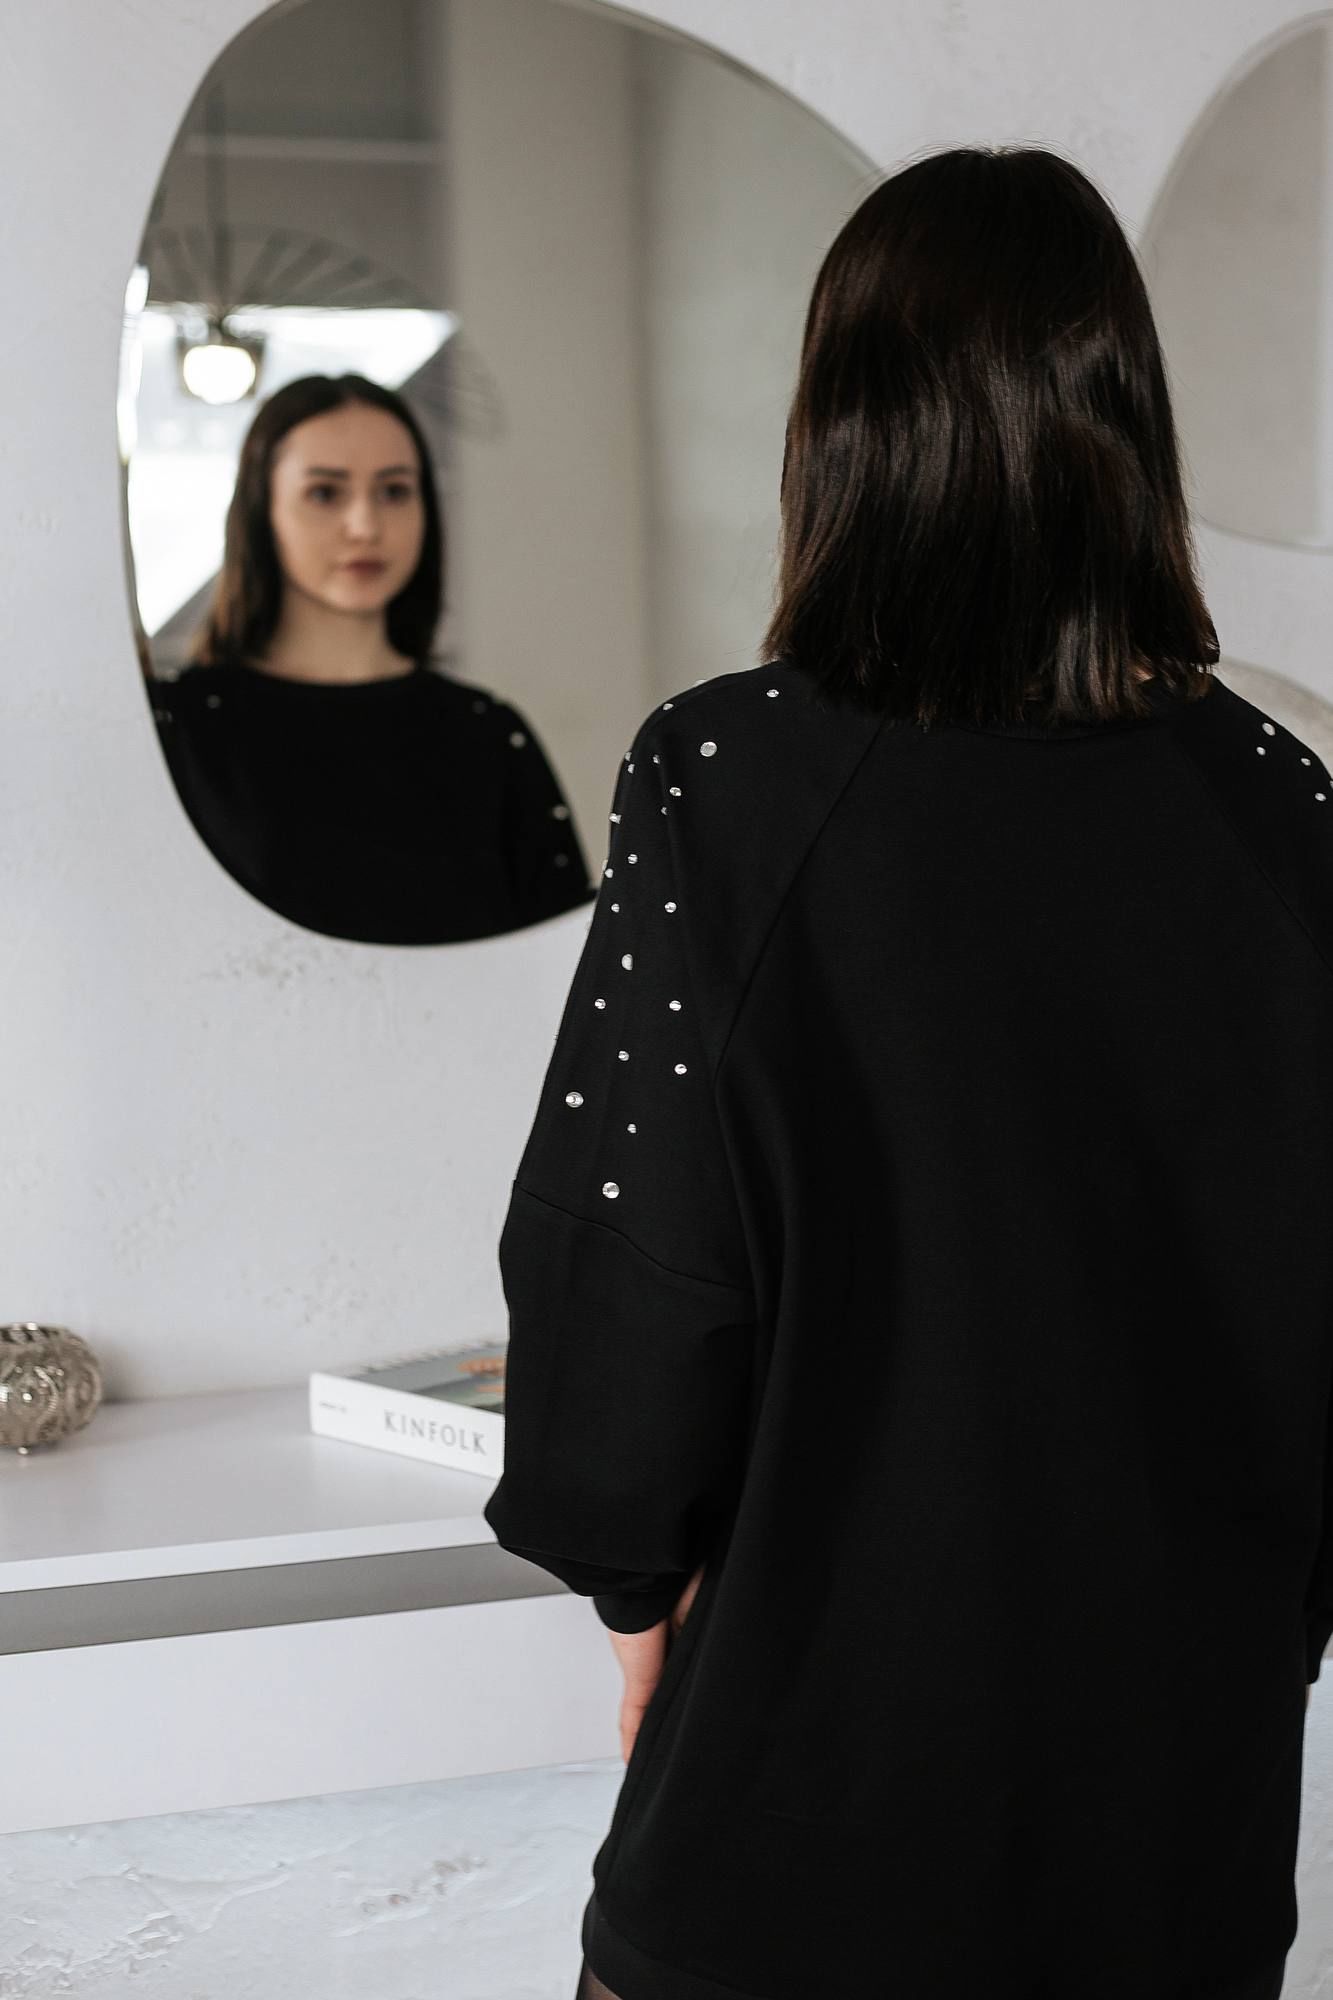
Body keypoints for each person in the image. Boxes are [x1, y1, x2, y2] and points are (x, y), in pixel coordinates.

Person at [482, 144, 1333, 2000]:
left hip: (792, 1841)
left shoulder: (723, 784)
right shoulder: (1282, 816)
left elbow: (635, 1279)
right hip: (1171, 1854)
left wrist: (629, 1588)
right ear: (1126, 426)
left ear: (842, 432)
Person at [148, 373, 593, 945]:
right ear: (262, 510)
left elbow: (566, 967)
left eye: (394, 491)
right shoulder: (181, 728)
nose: (365, 526)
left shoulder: (488, 736)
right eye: (325, 493)